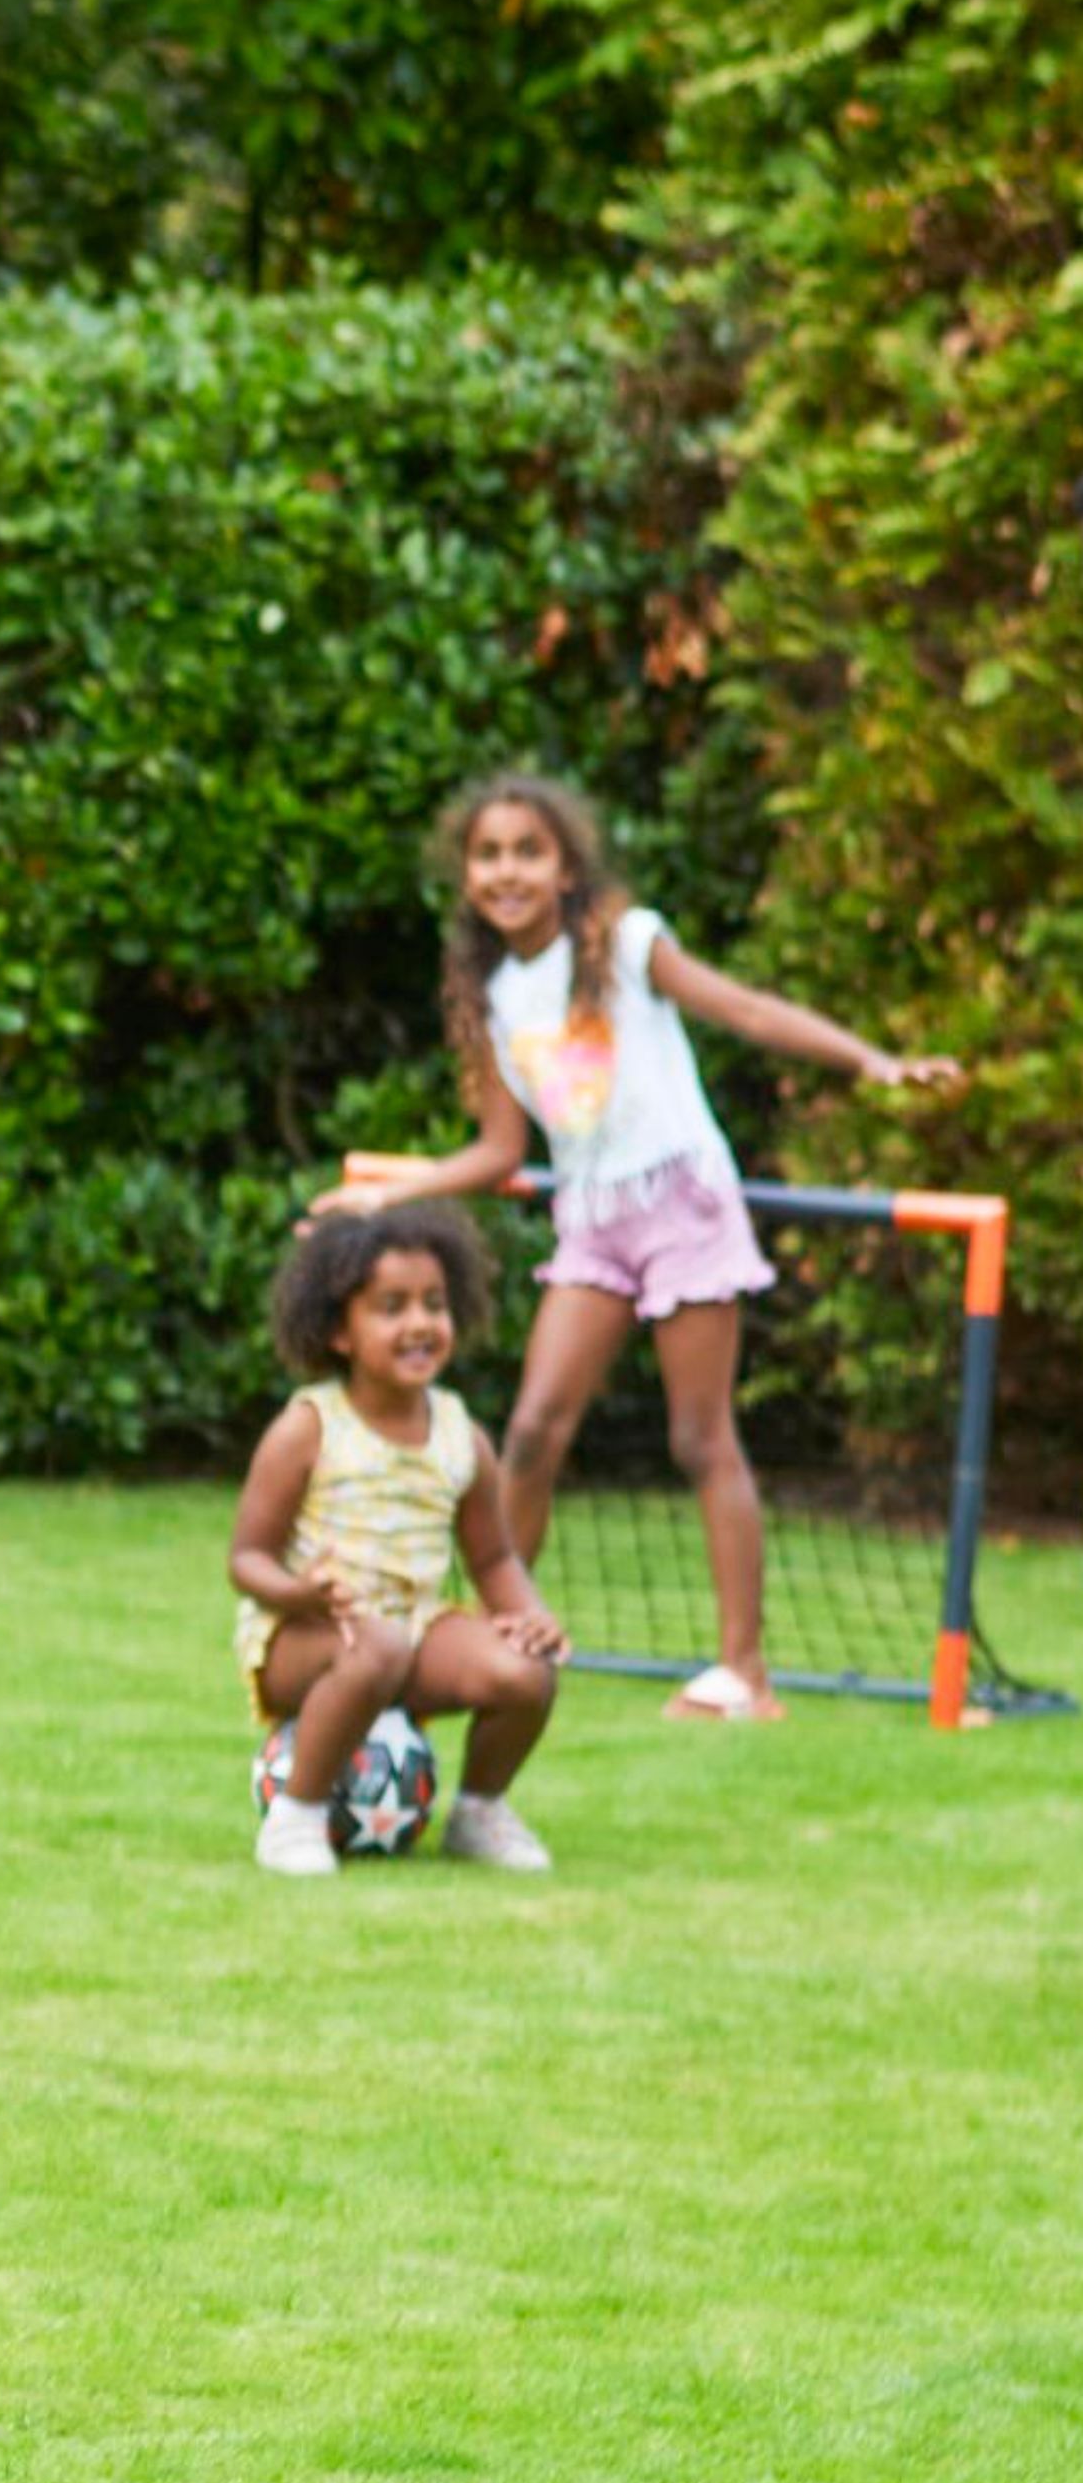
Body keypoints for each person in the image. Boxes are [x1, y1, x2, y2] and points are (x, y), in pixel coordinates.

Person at [352, 770, 953, 1721]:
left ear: (566, 868)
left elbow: (746, 1011)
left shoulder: (627, 943)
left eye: (528, 851)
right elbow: (501, 1150)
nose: (507, 871)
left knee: (699, 1438)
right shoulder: (490, 995)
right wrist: (395, 1188)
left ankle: (744, 1674)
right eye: (488, 854)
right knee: (533, 1431)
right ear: (466, 875)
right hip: (592, 1220)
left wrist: (870, 1060)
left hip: (683, 1204)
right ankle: (495, 1637)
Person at [231, 1199, 567, 1878]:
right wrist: (300, 1594)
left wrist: (529, 1617)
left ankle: (479, 1812)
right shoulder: (309, 1427)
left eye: (434, 1304)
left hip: (411, 1629)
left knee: (526, 1673)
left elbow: (493, 1557)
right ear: (339, 1331)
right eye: (392, 1307)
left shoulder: (460, 1435)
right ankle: (296, 1816)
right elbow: (247, 1559)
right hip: (304, 1635)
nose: (419, 1323)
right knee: (376, 1645)